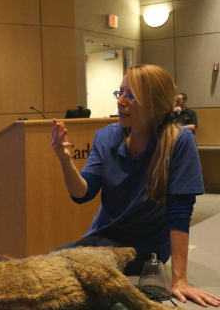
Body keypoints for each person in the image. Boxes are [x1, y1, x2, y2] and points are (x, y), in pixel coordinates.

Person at [50, 64, 220, 307]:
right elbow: (82, 194)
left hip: (145, 250)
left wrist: (179, 280)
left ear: (154, 103)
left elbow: (180, 214)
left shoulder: (180, 142)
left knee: (60, 278)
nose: (120, 101)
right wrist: (65, 160)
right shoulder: (106, 136)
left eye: (130, 95)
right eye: (119, 92)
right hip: (102, 238)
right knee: (48, 267)